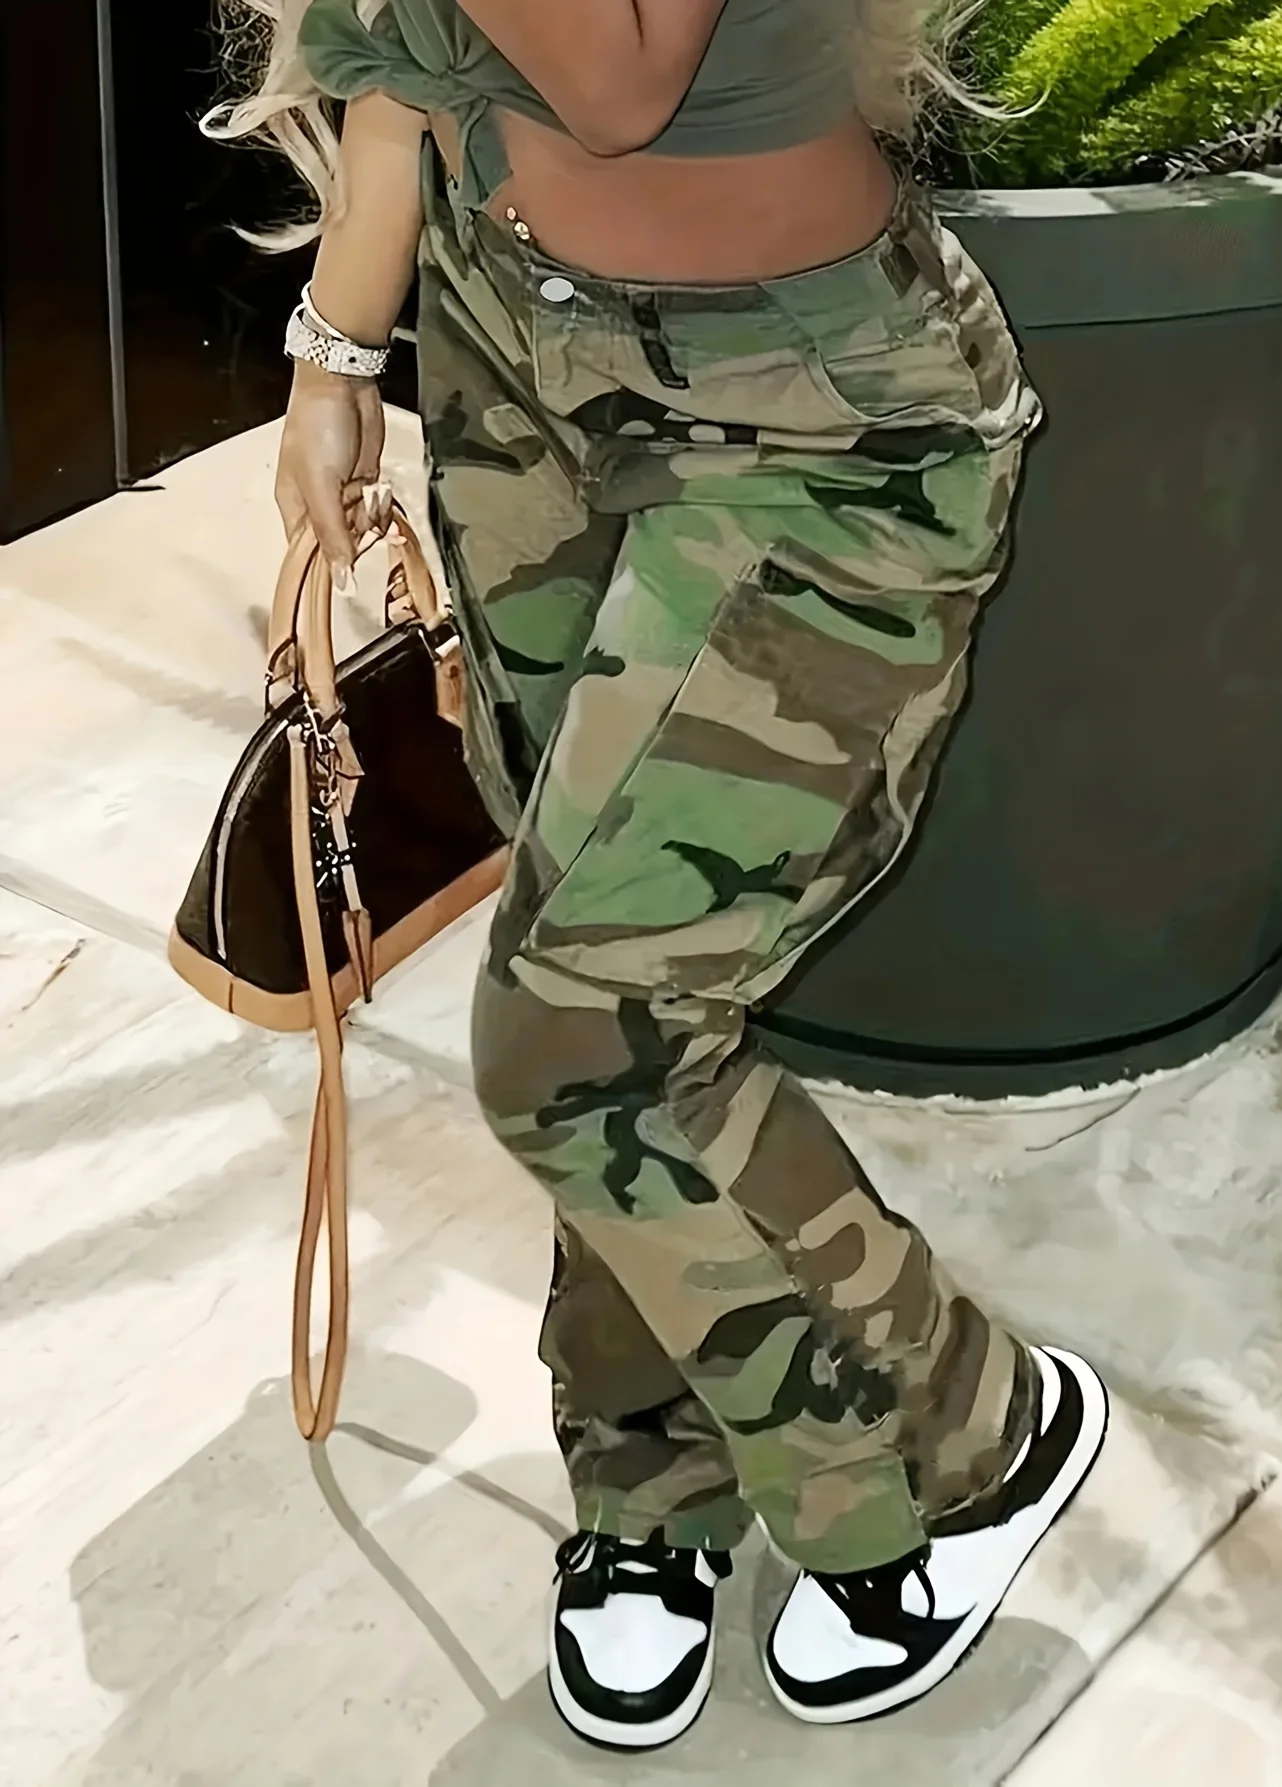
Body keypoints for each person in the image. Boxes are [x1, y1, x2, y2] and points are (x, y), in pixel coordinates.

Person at [212, 0, 1110, 1751]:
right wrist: (334, 363)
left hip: (817, 432)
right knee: (586, 947)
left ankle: (969, 1434)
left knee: (580, 1039)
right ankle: (650, 1477)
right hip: (517, 360)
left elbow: (618, 83)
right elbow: (395, 70)